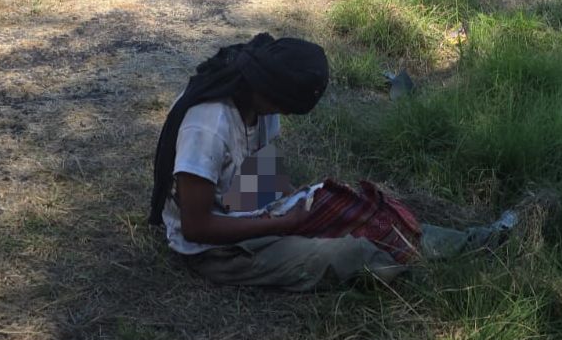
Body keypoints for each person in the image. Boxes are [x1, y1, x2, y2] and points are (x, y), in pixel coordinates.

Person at [148, 33, 514, 291]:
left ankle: (476, 242)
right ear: (270, 92)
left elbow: (258, 171)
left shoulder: (258, 100)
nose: (284, 114)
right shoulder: (208, 125)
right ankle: (430, 273)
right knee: (355, 252)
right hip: (216, 251)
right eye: (286, 106)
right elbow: (196, 226)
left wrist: (299, 200)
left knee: (365, 214)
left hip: (241, 210)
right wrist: (277, 223)